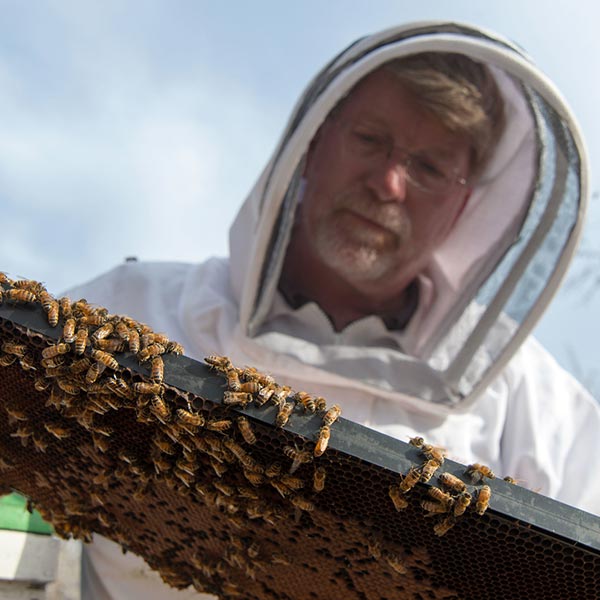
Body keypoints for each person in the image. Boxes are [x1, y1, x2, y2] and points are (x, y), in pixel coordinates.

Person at [61, 21, 599, 600]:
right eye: (370, 138)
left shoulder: (540, 413)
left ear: (462, 207)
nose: (388, 183)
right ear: (313, 143)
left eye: (430, 167)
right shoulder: (129, 307)